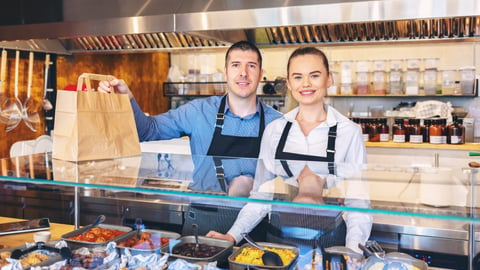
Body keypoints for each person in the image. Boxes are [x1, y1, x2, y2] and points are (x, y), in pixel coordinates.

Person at [207, 47, 372, 254]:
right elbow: (261, 196)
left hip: (331, 241)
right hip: (278, 240)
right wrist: (232, 236)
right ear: (289, 83)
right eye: (298, 77)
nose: (306, 84)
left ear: (329, 79)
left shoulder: (349, 132)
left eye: (314, 75)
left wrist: (353, 253)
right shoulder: (275, 130)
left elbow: (358, 204)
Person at [98, 40, 282, 194]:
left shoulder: (277, 123)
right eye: (236, 65)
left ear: (261, 75)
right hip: (204, 214)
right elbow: (147, 130)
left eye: (251, 66)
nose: (243, 72)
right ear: (225, 73)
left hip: (254, 218)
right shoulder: (198, 111)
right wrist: (126, 99)